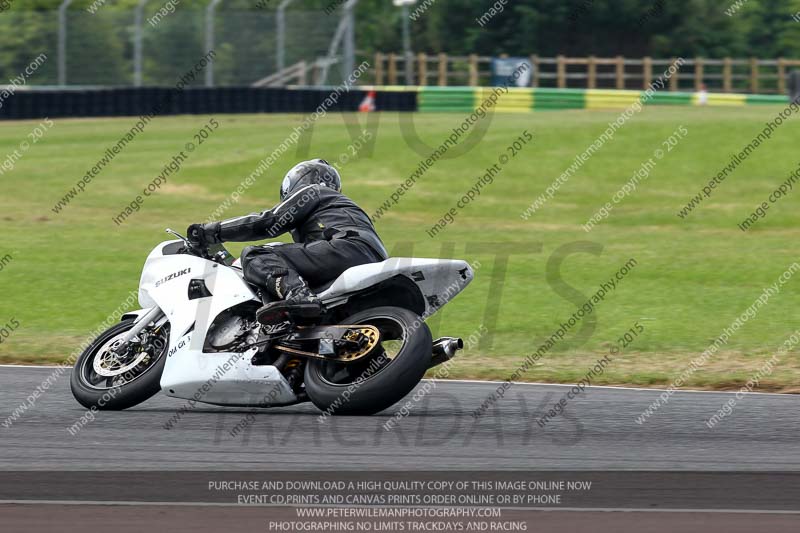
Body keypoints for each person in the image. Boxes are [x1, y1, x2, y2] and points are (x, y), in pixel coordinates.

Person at [187, 159, 388, 324]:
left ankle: (298, 295)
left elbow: (269, 221)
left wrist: (212, 231)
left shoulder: (314, 191)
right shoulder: (340, 207)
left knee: (257, 254)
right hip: (372, 259)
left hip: (345, 249)